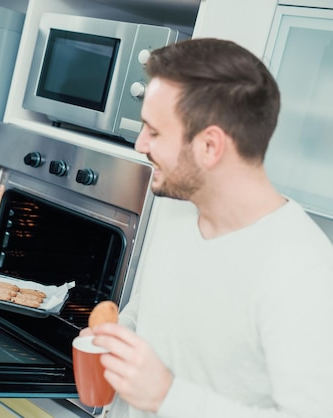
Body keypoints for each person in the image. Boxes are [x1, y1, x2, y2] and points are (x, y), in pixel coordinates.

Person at [82, 38, 333, 417]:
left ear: (210, 146)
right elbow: (149, 315)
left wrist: (167, 397)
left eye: (153, 131)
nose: (139, 144)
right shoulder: (178, 212)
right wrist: (118, 341)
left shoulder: (302, 270)